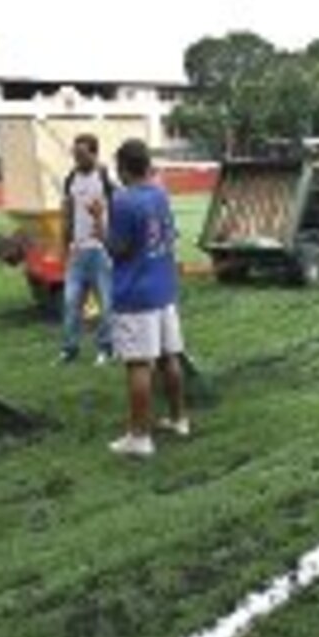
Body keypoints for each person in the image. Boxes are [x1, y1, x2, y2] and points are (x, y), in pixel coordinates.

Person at [94, 138, 190, 457]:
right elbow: (170, 235)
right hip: (164, 288)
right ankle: (178, 419)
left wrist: (98, 223)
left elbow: (117, 249)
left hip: (135, 293)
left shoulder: (123, 201)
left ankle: (139, 436)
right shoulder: (160, 193)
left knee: (138, 365)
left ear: (122, 168)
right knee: (169, 357)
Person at [59, 133, 117, 365]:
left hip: (101, 251)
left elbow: (119, 206)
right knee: (71, 303)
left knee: (107, 304)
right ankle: (69, 349)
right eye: (74, 154)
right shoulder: (71, 178)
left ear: (94, 153)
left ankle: (106, 348)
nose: (77, 158)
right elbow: (68, 212)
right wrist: (65, 244)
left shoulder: (104, 176)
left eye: (81, 154)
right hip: (78, 251)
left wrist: (112, 241)